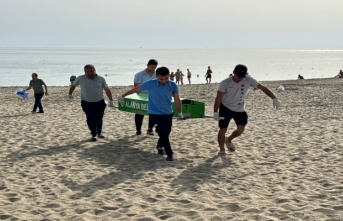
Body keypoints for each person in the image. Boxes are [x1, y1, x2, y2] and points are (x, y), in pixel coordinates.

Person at [118, 67, 183, 161]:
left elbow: (177, 99)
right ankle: (170, 154)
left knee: (167, 132)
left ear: (169, 76)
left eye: (166, 78)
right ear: (156, 76)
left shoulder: (173, 85)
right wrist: (123, 95)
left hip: (168, 113)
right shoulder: (150, 83)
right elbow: (136, 89)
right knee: (163, 132)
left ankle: (159, 146)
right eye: (161, 79)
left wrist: (180, 112)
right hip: (154, 113)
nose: (164, 81)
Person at [213, 64, 281, 154]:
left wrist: (274, 98)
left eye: (242, 76)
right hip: (226, 108)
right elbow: (218, 98)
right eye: (238, 76)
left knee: (240, 130)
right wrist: (215, 112)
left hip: (239, 109)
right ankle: (222, 149)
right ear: (233, 73)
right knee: (223, 129)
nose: (240, 79)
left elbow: (263, 88)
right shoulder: (225, 83)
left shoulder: (248, 79)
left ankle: (228, 140)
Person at [68, 64, 114, 142]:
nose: (90, 73)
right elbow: (73, 85)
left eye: (91, 71)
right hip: (86, 103)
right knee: (91, 118)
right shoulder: (80, 78)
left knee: (99, 118)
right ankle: (94, 134)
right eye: (88, 71)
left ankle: (99, 132)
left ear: (95, 70)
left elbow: (107, 89)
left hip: (100, 102)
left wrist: (111, 100)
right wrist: (70, 94)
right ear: (85, 72)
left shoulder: (101, 79)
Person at [133, 59, 158, 135]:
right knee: (139, 113)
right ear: (147, 65)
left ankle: (150, 129)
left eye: (154, 67)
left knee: (153, 114)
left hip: (154, 96)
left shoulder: (157, 74)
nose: (153, 69)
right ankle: (138, 130)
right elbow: (136, 87)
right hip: (141, 96)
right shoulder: (139, 75)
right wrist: (138, 97)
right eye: (151, 67)